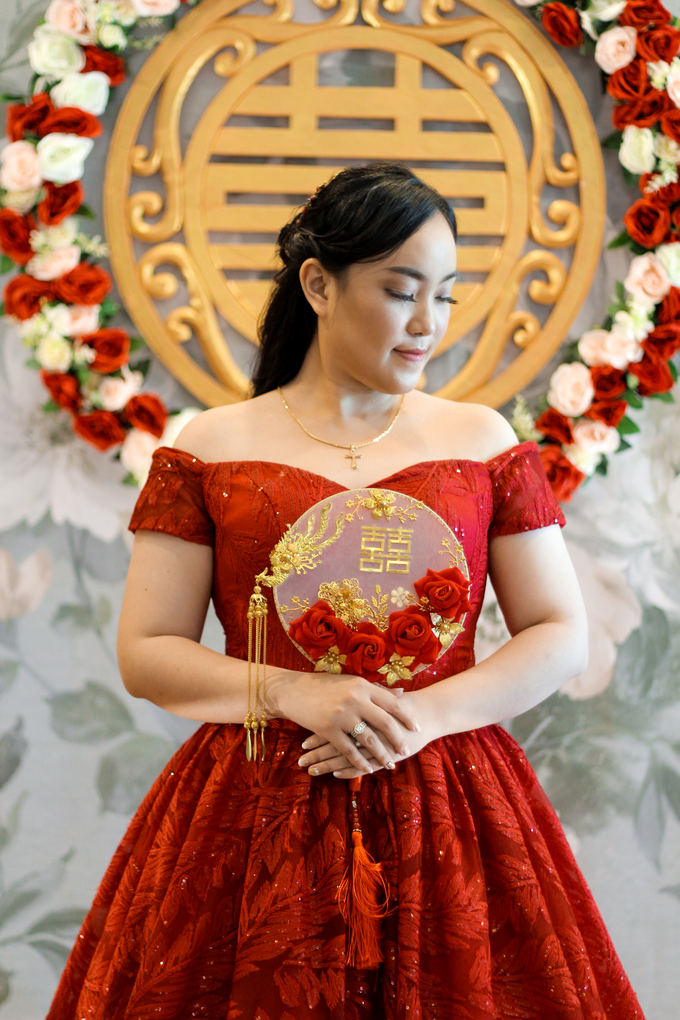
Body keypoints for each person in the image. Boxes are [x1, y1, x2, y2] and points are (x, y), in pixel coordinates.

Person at [47, 162, 644, 1019]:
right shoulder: (210, 445)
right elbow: (147, 652)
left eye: (445, 295)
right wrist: (295, 692)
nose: (427, 324)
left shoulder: (480, 438)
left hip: (449, 796)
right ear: (319, 285)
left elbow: (557, 631)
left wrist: (417, 721)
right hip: (252, 804)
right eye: (402, 292)